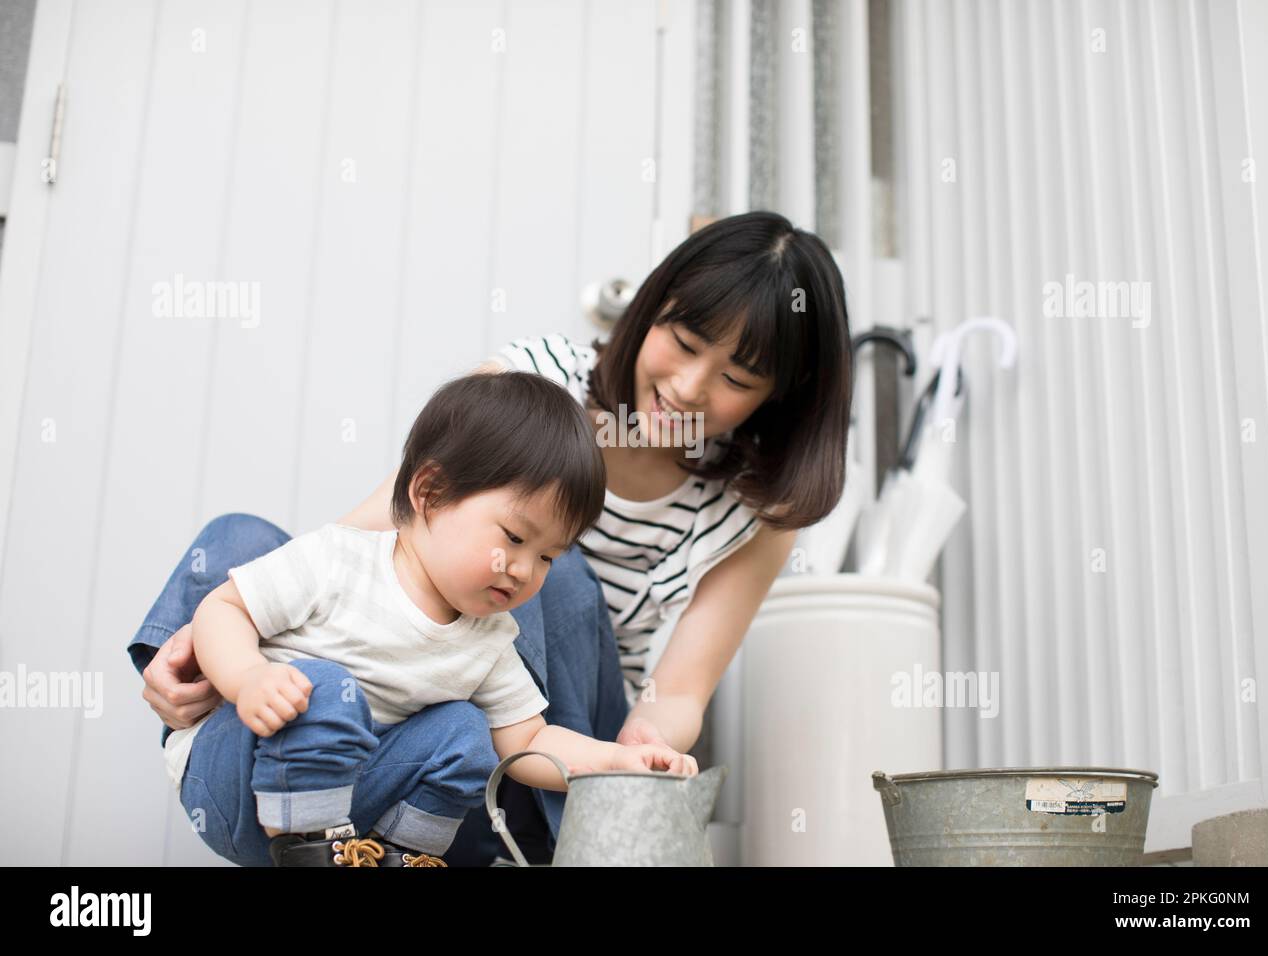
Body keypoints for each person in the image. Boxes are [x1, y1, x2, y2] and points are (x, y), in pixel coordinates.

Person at [133, 210, 854, 865]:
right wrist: (218, 638)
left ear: (777, 396)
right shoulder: (535, 379)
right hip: (416, 702)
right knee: (244, 545)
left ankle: (520, 842)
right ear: (650, 308)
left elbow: (680, 690)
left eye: (734, 377)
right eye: (685, 341)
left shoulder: (756, 511)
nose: (691, 387)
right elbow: (382, 525)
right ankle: (212, 710)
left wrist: (633, 750)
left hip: (547, 737)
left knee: (561, 582)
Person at [157, 372, 694, 866]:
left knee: (464, 730)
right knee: (328, 687)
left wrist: (619, 764)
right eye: (513, 537)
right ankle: (312, 851)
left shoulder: (489, 640)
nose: (526, 570)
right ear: (430, 493)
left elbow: (531, 742)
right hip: (236, 775)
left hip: (349, 806)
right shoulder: (338, 561)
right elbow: (223, 608)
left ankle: (399, 855)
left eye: (549, 556)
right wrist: (248, 675)